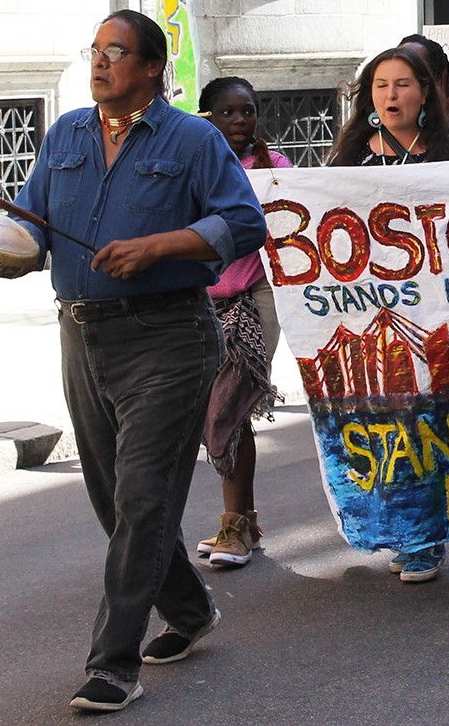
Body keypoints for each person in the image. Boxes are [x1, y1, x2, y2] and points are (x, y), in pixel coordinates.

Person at [14, 10, 266, 713]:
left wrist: (159, 246)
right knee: (113, 503)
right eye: (93, 51)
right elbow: (32, 230)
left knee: (143, 500)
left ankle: (113, 664)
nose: (99, 63)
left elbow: (246, 221)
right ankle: (190, 611)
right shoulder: (64, 132)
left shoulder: (193, 138)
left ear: (151, 66)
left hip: (169, 337)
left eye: (115, 52)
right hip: (81, 335)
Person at [327, 46, 449, 582]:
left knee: (427, 425)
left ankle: (425, 538)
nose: (392, 95)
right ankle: (402, 526)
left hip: (436, 314)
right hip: (373, 312)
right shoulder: (348, 156)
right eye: (381, 86)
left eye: (403, 84)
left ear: (425, 93)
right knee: (385, 424)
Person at [194, 77, 292, 570]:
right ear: (206, 116)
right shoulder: (192, 165)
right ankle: (245, 522)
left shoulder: (275, 169)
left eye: (247, 111)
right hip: (199, 300)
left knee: (230, 403)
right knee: (208, 408)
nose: (239, 121)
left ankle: (234, 524)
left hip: (256, 297)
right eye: (228, 113)